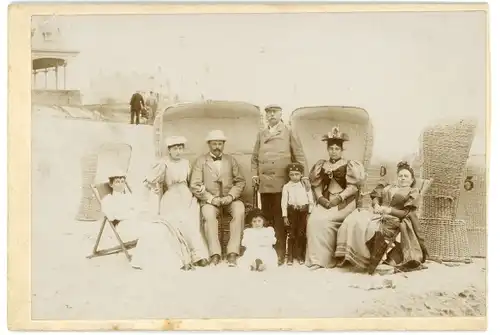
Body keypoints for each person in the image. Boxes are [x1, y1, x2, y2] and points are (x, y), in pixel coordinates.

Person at [335, 161, 429, 274]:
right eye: (400, 176)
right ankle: (348, 256)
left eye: (406, 176)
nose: (403, 178)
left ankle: (364, 259)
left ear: (412, 180)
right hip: (376, 213)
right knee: (353, 219)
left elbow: (407, 213)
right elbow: (376, 196)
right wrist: (376, 205)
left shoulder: (413, 192)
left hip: (393, 219)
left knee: (366, 227)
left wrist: (389, 210)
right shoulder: (389, 187)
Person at [101, 169, 193, 271]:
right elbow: (112, 216)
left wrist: (134, 212)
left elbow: (140, 209)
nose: (121, 184)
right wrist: (131, 213)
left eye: (122, 181)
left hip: (136, 221)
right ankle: (151, 263)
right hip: (124, 226)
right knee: (152, 231)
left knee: (162, 228)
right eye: (117, 182)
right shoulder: (108, 200)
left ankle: (173, 262)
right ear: (111, 184)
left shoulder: (129, 196)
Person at [251, 104, 309, 265]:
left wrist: (304, 177)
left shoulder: (288, 131)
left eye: (274, 112)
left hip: (281, 182)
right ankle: (266, 252)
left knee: (279, 218)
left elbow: (299, 155)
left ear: (280, 113)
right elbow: (255, 157)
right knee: (266, 217)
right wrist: (255, 174)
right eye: (268, 113)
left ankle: (280, 252)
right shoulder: (261, 134)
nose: (271, 115)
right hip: (264, 183)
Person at [143, 135, 210, 267]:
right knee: (176, 221)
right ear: (169, 150)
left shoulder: (186, 163)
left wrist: (200, 187)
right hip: (171, 196)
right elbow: (149, 180)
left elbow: (192, 181)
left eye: (180, 148)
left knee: (191, 220)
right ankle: (181, 256)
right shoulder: (163, 163)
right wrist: (154, 188)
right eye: (175, 148)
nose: (178, 151)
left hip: (186, 195)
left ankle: (197, 255)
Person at [305, 126, 366, 270]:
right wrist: (320, 198)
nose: (333, 151)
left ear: (341, 150)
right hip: (326, 200)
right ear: (327, 150)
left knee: (325, 221)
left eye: (337, 149)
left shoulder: (350, 164)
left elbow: (353, 187)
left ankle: (329, 259)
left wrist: (339, 198)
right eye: (331, 148)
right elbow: (316, 184)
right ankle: (317, 260)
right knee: (313, 220)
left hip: (344, 202)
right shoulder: (322, 164)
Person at [190, 130, 246, 267]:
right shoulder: (200, 161)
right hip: (210, 200)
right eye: (214, 143)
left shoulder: (231, 160)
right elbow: (194, 184)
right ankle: (215, 253)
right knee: (208, 215)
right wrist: (210, 198)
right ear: (209, 144)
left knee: (239, 209)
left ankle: (233, 252)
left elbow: (240, 181)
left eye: (220, 144)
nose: (217, 147)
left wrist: (231, 196)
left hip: (229, 199)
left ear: (223, 145)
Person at [281, 163, 314, 265]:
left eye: (297, 174)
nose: (294, 177)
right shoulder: (286, 187)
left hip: (303, 212)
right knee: (291, 234)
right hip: (292, 212)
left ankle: (300, 255)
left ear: (301, 174)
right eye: (292, 174)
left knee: (301, 233)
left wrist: (309, 212)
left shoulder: (305, 186)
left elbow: (310, 200)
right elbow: (284, 202)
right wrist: (285, 215)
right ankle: (290, 256)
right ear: (288, 175)